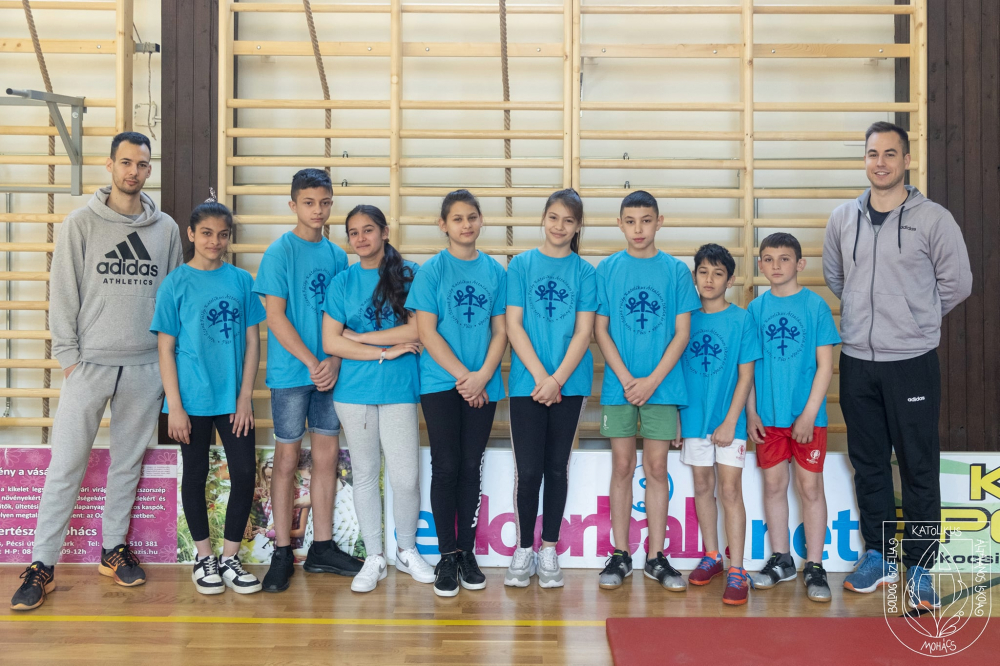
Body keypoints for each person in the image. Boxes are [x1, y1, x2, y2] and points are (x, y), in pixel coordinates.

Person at [10, 132, 183, 611]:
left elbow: (171, 299)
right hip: (88, 365)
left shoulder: (166, 229)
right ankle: (42, 564)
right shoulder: (80, 223)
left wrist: (165, 363)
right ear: (110, 165)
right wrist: (69, 358)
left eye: (141, 164)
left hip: (145, 365)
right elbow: (63, 292)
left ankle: (112, 550)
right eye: (125, 162)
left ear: (149, 169)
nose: (133, 171)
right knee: (66, 464)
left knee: (127, 463)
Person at [823, 122, 972, 610]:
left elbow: (958, 283)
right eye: (873, 153)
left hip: (911, 362)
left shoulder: (934, 219)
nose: (880, 162)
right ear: (864, 160)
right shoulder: (843, 218)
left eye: (890, 153)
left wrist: (913, 320)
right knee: (868, 465)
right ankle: (880, 557)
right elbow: (836, 277)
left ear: (907, 160)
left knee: (918, 467)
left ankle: (922, 568)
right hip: (857, 361)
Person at [252, 168, 362, 593]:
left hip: (329, 372)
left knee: (326, 458)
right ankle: (282, 551)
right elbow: (275, 317)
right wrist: (312, 361)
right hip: (291, 374)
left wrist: (332, 359)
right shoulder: (279, 253)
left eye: (325, 203)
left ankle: (322, 548)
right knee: (285, 460)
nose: (318, 210)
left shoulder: (337, 256)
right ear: (293, 204)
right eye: (309, 203)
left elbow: (344, 318)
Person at [152, 201, 265, 594]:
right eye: (206, 233)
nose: (214, 241)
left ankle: (230, 557)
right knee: (196, 474)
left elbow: (253, 343)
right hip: (191, 400)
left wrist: (245, 396)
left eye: (222, 234)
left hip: (234, 400)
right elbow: (165, 348)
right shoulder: (175, 284)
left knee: (245, 473)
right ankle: (204, 558)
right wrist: (175, 406)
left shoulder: (242, 281)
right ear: (191, 234)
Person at [322, 204, 435, 593]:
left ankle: (406, 549)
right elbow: (330, 341)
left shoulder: (410, 274)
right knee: (366, 474)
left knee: (405, 477)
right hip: (354, 392)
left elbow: (417, 330)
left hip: (399, 389)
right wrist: (387, 350)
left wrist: (360, 337)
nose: (361, 238)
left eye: (368, 229)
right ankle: (374, 556)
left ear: (384, 232)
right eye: (353, 232)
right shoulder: (342, 282)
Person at [594, 191, 701, 592]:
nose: (638, 228)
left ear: (659, 221)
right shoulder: (607, 269)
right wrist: (627, 379)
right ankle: (621, 553)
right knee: (622, 466)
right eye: (630, 220)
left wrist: (653, 381)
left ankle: (656, 556)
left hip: (663, 386)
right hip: (619, 387)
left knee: (657, 468)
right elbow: (600, 329)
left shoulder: (675, 271)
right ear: (619, 224)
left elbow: (682, 333)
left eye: (646, 220)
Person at [405, 190, 508, 597]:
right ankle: (446, 555)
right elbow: (427, 332)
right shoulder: (432, 271)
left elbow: (501, 331)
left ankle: (466, 551)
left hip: (483, 383)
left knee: (470, 466)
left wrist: (482, 376)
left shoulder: (496, 272)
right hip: (440, 383)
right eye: (457, 219)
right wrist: (466, 377)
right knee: (446, 465)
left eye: (472, 217)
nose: (466, 225)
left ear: (481, 220)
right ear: (443, 225)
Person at [503, 189, 595, 589]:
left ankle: (549, 548)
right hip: (527, 384)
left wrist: (557, 380)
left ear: (578, 227)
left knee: (557, 468)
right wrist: (543, 377)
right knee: (528, 470)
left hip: (569, 385)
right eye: (554, 217)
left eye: (568, 220)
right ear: (543, 218)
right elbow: (513, 325)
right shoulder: (521, 265)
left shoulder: (586, 272)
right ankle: (524, 547)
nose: (559, 226)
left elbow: (584, 332)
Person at [746, 233, 839, 603]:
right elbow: (747, 367)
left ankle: (814, 565)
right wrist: (751, 411)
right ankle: (781, 559)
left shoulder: (816, 306)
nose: (776, 266)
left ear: (800, 264)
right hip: (768, 419)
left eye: (784, 258)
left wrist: (809, 414)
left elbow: (825, 366)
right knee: (773, 486)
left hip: (807, 418)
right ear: (760, 265)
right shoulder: (755, 309)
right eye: (768, 259)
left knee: (810, 488)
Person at [680, 244, 760, 605]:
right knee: (702, 485)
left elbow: (746, 376)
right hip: (693, 419)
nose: (709, 279)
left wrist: (730, 421)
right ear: (694, 276)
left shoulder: (742, 320)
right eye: (703, 272)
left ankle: (737, 569)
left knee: (729, 491)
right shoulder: (685, 318)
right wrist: (678, 419)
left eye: (717, 273)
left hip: (730, 423)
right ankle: (712, 555)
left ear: (729, 280)